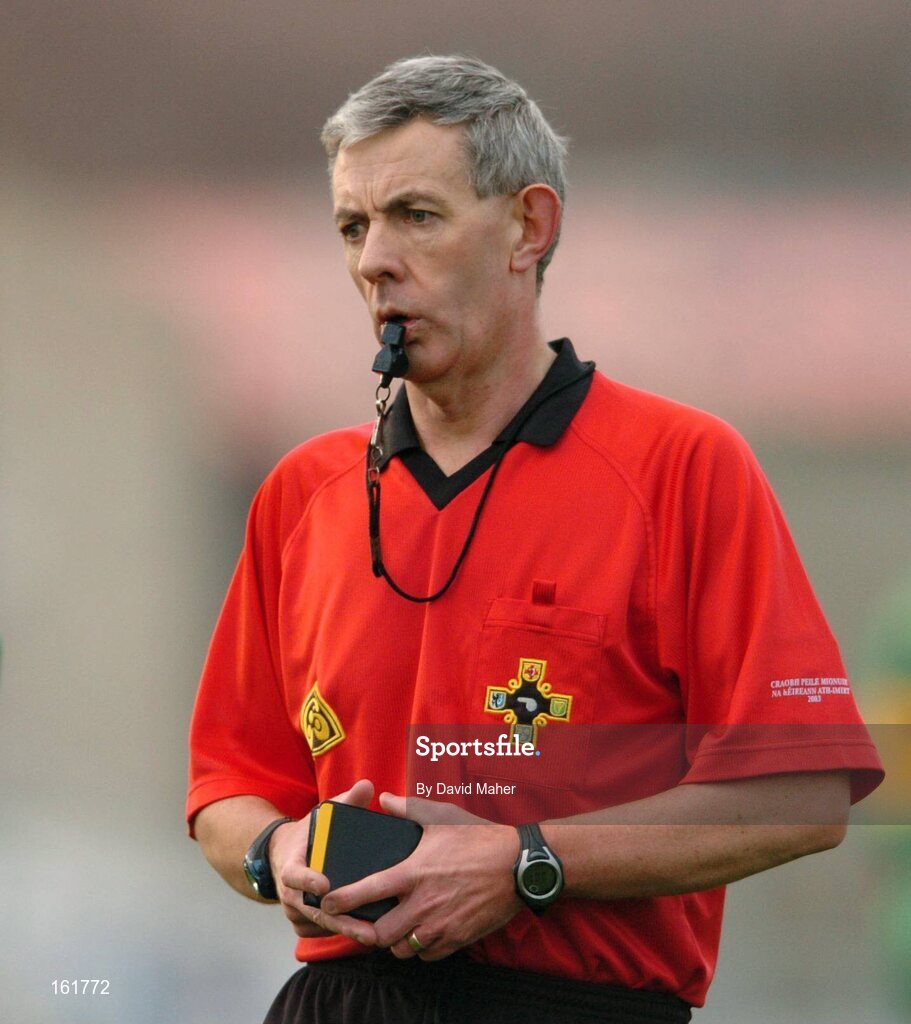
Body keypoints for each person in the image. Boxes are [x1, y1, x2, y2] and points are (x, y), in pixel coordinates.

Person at [186, 55, 884, 1024]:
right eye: (353, 225)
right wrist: (275, 853)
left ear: (529, 227)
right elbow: (228, 788)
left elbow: (803, 793)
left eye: (415, 216)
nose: (374, 259)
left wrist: (525, 862)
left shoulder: (681, 466)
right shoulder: (303, 492)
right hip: (337, 999)